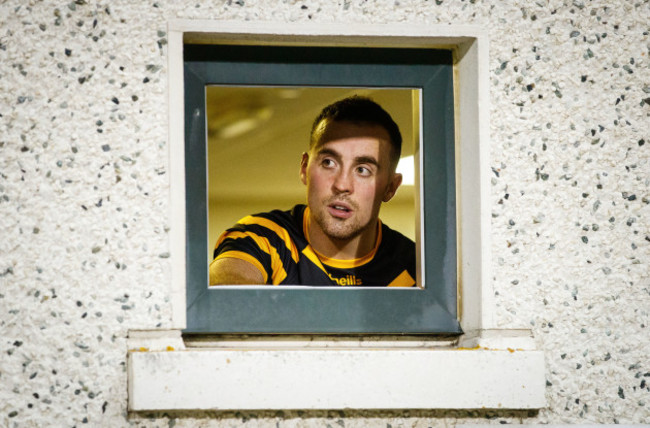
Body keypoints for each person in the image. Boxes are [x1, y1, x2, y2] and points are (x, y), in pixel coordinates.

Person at [209, 95, 415, 287]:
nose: (342, 185)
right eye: (329, 162)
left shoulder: (416, 268)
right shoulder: (264, 238)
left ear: (390, 188)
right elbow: (224, 305)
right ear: (304, 168)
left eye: (363, 170)